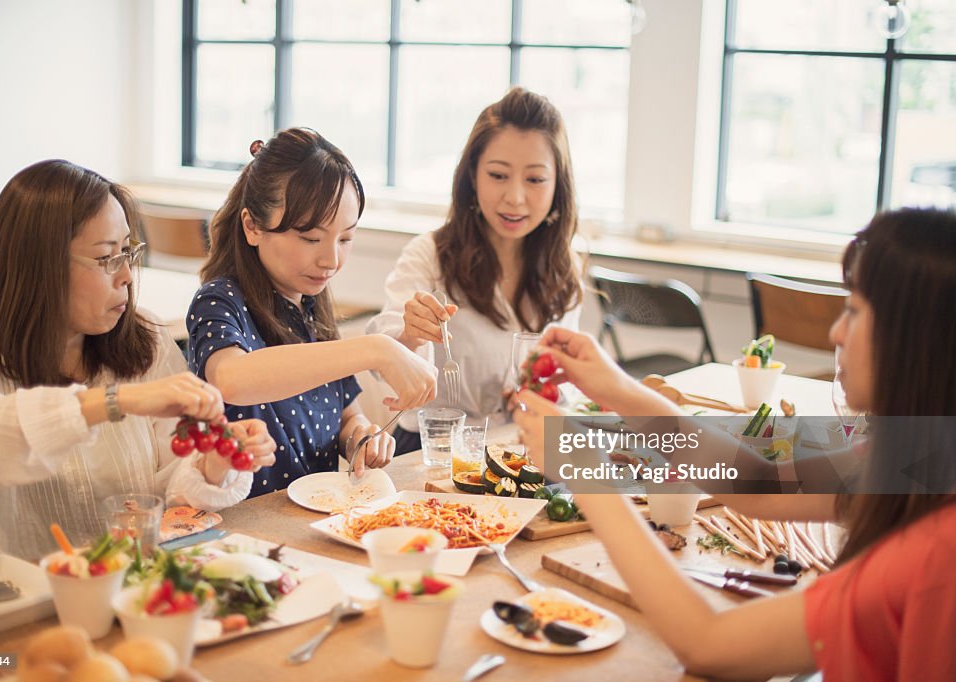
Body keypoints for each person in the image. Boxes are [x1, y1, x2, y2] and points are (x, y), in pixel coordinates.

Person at [514, 208, 956, 680]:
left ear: (916, 339)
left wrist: (587, 474)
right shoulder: (922, 458)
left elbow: (710, 644)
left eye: (853, 310)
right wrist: (620, 391)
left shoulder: (929, 556)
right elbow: (759, 482)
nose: (836, 333)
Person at [0, 160, 276, 562]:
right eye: (107, 257)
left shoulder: (144, 340)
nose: (127, 276)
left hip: (141, 590)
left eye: (128, 252)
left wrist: (214, 461)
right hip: (40, 603)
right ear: (39, 267)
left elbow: (173, 490)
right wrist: (115, 402)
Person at [187, 129, 437, 496]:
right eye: (310, 238)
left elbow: (346, 416)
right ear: (252, 226)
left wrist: (359, 438)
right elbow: (232, 379)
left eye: (346, 239)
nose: (331, 260)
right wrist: (377, 349)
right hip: (243, 528)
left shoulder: (307, 302)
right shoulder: (218, 302)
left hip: (313, 521)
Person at [366, 87, 584, 453]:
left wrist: (548, 395)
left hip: (520, 447)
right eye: (498, 175)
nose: (514, 197)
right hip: (433, 450)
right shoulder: (430, 255)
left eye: (534, 179)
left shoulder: (564, 266)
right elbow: (382, 350)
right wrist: (409, 332)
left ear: (557, 186)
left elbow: (568, 375)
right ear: (472, 176)